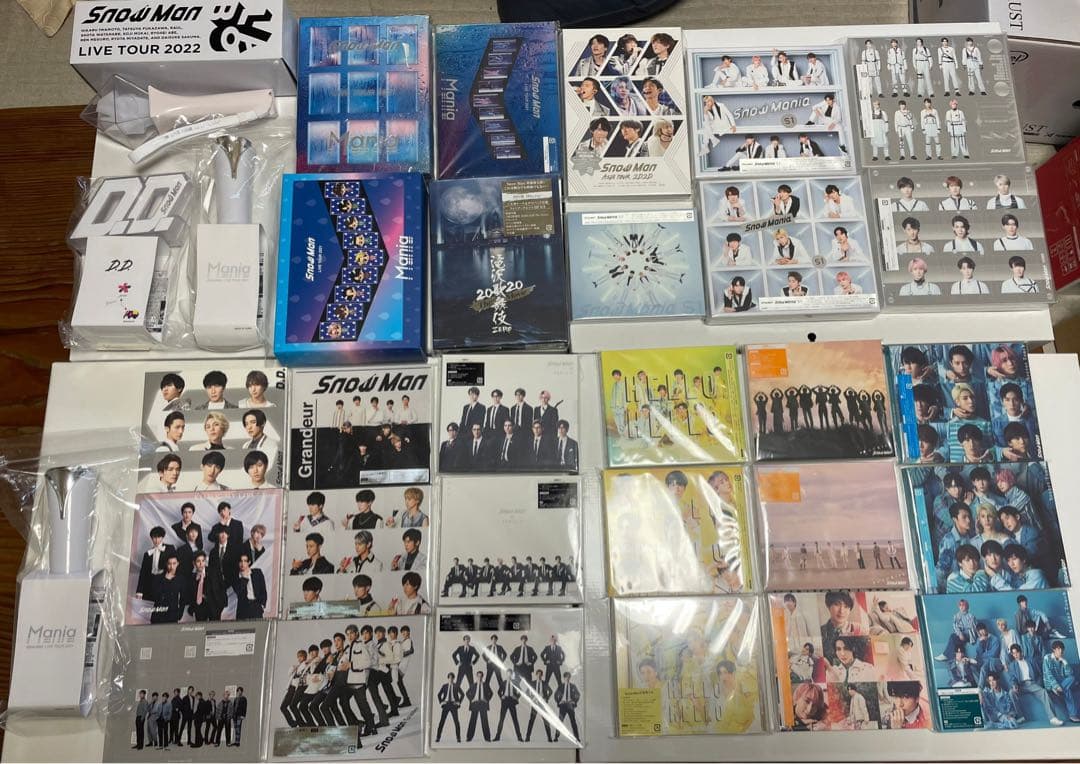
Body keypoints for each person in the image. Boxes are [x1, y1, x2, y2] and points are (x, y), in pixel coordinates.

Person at [1008, 643, 1062, 724]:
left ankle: (1053, 718)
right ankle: (1020, 717)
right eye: (1013, 653)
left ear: (1021, 652)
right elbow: (1012, 678)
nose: (1015, 655)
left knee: (1043, 692)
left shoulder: (1031, 660)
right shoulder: (1012, 665)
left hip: (1032, 684)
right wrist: (1014, 685)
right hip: (1020, 686)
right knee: (1011, 692)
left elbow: (1040, 673)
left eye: (1017, 652)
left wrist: (1038, 683)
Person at [1042, 640, 1080, 723]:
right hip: (1051, 685)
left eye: (1062, 649)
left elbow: (1069, 674)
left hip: (1061, 683)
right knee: (1068, 691)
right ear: (1054, 649)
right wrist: (1056, 686)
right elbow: (1048, 674)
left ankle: (1059, 690)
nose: (1061, 651)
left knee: (1072, 678)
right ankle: (1072, 715)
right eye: (1058, 649)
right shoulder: (1047, 658)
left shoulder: (1062, 660)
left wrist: (1065, 662)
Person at [233, 552, 266, 620]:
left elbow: (263, 590)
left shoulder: (257, 573)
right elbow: (238, 591)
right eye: (241, 561)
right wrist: (244, 578)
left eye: (245, 561)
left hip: (256, 608)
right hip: (243, 610)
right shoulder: (235, 577)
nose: (242, 564)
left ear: (249, 562)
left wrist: (261, 605)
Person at [435, 672, 464, 743]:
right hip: (446, 705)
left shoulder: (456, 686)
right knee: (442, 721)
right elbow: (439, 695)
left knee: (456, 722)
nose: (451, 679)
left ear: (453, 679)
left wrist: (458, 702)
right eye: (449, 678)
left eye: (452, 678)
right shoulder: (444, 686)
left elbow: (462, 694)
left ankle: (458, 738)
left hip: (453, 705)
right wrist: (441, 702)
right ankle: (438, 737)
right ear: (448, 678)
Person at [465, 671, 493, 742]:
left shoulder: (486, 685)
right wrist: (471, 699)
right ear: (476, 676)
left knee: (485, 721)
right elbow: (467, 693)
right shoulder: (473, 685)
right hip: (475, 704)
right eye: (478, 676)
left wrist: (487, 700)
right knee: (472, 721)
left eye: (481, 676)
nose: (479, 678)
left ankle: (487, 738)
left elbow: (491, 693)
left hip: (483, 704)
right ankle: (469, 737)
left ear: (482, 677)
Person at [553, 672, 581, 742]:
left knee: (573, 722)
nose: (567, 678)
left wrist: (574, 701)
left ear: (570, 678)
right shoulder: (561, 686)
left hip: (570, 705)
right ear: (564, 678)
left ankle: (577, 737)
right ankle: (556, 737)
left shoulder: (573, 686)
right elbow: (555, 694)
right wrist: (558, 702)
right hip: (563, 705)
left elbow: (578, 694)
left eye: (568, 677)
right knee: (560, 721)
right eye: (566, 677)